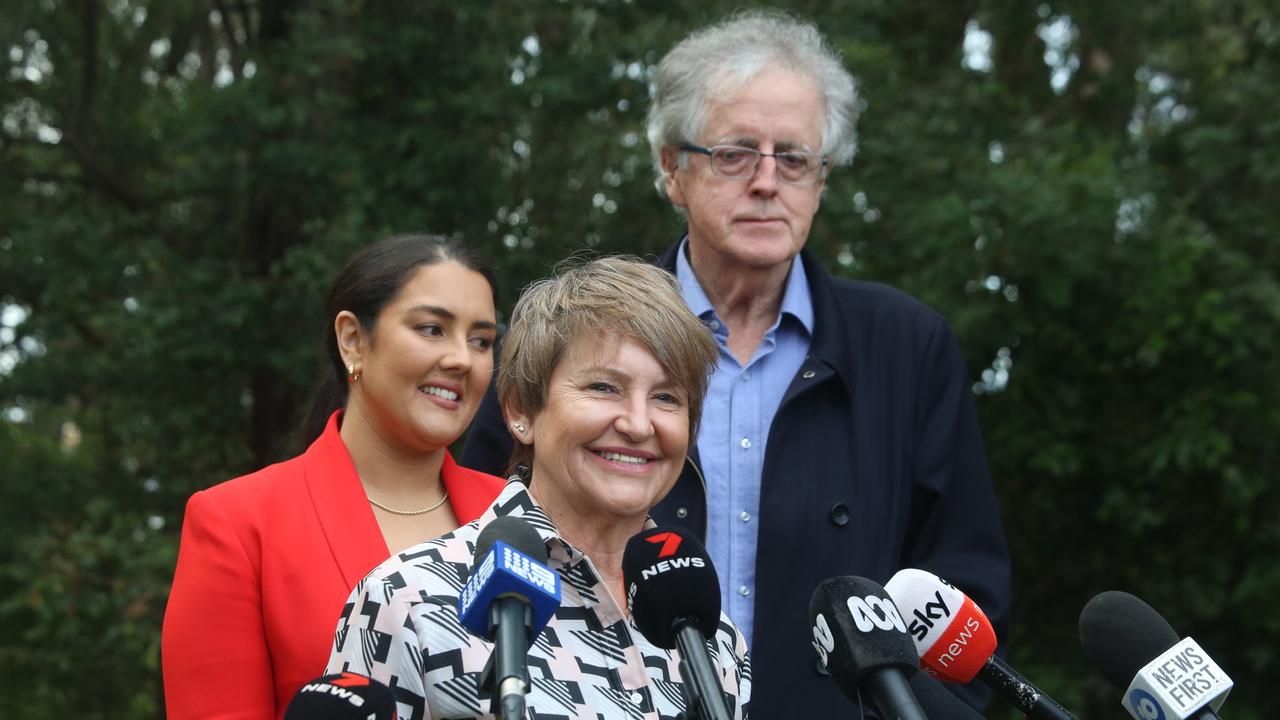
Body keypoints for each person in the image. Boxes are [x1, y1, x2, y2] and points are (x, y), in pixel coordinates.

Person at [461, 10, 1012, 716]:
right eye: (734, 153)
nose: (765, 181)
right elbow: (481, 527)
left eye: (794, 158)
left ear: (822, 178)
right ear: (672, 168)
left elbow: (961, 585)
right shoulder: (578, 336)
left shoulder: (907, 346)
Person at [326, 257, 750, 719]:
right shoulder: (411, 599)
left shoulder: (712, 637)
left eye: (667, 398)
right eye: (604, 387)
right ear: (520, 411)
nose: (638, 423)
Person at [162, 234, 508, 720]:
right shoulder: (238, 523)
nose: (461, 359)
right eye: (432, 329)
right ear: (353, 340)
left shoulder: (520, 515)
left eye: (482, 341)